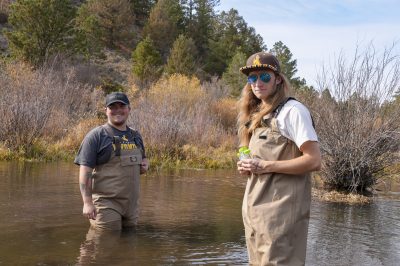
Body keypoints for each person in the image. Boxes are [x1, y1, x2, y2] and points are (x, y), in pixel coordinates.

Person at [237, 52, 321, 265]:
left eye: (264, 76)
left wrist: (265, 165)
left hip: (281, 216)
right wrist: (247, 167)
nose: (258, 82)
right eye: (252, 78)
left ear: (278, 79)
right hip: (255, 214)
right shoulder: (257, 116)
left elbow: (313, 160)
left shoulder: (293, 111)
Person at [75, 91, 149, 230]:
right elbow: (85, 171)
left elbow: (143, 158)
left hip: (131, 206)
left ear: (129, 109)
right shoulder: (96, 136)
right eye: (113, 107)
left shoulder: (135, 135)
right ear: (106, 111)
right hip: (106, 204)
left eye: (122, 106)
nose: (118, 110)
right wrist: (87, 202)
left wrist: (146, 164)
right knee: (103, 244)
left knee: (129, 246)